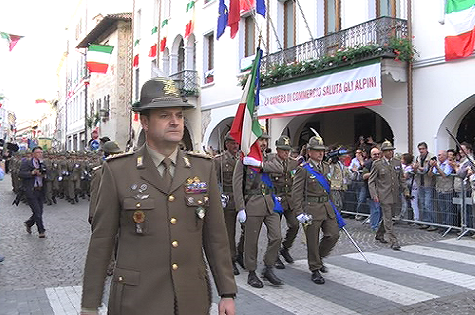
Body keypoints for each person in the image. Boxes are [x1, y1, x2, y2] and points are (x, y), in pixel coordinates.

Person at [81, 77, 236, 315]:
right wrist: (90, 305)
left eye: (179, 115)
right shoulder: (118, 171)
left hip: (190, 299)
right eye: (164, 116)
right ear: (145, 121)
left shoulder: (202, 168)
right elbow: (102, 242)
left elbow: (216, 237)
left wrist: (226, 292)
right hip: (137, 301)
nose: (175, 122)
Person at [233, 132, 284, 288]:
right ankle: (252, 272)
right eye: (261, 140)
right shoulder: (243, 160)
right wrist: (240, 208)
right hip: (253, 203)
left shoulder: (268, 158)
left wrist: (259, 164)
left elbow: (279, 168)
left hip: (270, 203)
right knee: (251, 241)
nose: (264, 143)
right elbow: (237, 185)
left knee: (276, 236)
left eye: (265, 141)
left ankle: (268, 267)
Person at [291, 135, 340, 284]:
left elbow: (328, 190)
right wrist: (299, 212)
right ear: (309, 152)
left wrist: (334, 208)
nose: (320, 153)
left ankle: (318, 258)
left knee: (333, 235)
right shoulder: (303, 169)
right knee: (312, 240)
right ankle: (315, 268)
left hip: (326, 207)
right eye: (317, 151)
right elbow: (296, 192)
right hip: (311, 209)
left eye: (322, 151)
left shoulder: (325, 167)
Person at [368, 140, 409, 250]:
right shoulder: (377, 164)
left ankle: (379, 234)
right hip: (383, 195)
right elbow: (371, 181)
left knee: (389, 217)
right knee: (388, 218)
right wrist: (374, 195)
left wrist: (406, 190)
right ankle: (393, 241)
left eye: (391, 150)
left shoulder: (396, 162)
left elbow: (401, 178)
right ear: (383, 152)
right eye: (388, 151)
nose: (390, 152)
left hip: (394, 194)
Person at [269, 135, 300, 269]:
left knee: (295, 225)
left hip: (289, 200)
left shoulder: (293, 163)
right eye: (283, 150)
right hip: (275, 199)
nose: (286, 153)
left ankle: (285, 248)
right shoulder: (271, 162)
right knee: (275, 232)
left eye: (288, 150)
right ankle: (274, 256)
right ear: (277, 150)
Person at [213, 132, 241, 275]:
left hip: (242, 198)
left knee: (247, 229)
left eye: (237, 143)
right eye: (232, 143)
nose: (235, 146)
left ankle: (242, 252)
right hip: (228, 198)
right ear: (226, 144)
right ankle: (231, 259)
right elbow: (214, 181)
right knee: (229, 232)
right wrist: (219, 197)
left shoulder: (242, 158)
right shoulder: (219, 160)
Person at [18, 147, 47, 238]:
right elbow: (20, 174)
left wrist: (44, 175)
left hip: (40, 190)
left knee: (39, 212)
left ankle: (29, 223)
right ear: (33, 154)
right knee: (37, 211)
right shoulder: (26, 163)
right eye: (38, 152)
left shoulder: (43, 163)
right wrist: (32, 173)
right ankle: (41, 231)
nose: (40, 154)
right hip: (31, 190)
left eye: (41, 152)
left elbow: (48, 174)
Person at [414, 142, 437, 231]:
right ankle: (426, 222)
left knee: (428, 204)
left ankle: (432, 223)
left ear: (426, 149)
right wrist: (416, 168)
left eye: (423, 149)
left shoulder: (432, 157)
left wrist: (418, 168)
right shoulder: (418, 158)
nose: (421, 151)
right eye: (419, 149)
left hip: (428, 184)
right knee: (422, 204)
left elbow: (427, 170)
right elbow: (416, 170)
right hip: (420, 183)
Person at [429, 150, 455, 227]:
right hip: (439, 189)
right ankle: (444, 225)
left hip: (447, 189)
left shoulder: (448, 164)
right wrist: (432, 167)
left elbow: (445, 175)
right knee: (442, 209)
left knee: (448, 210)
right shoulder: (438, 164)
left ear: (445, 156)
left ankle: (449, 226)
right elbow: (430, 175)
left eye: (440, 155)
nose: (438, 157)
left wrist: (437, 167)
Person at [362, 147, 382, 231]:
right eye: (375, 154)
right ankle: (374, 226)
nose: (377, 156)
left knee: (380, 210)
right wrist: (373, 173)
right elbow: (364, 176)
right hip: (371, 190)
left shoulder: (382, 163)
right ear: (371, 155)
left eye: (378, 154)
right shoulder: (368, 164)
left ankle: (378, 224)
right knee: (375, 209)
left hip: (382, 190)